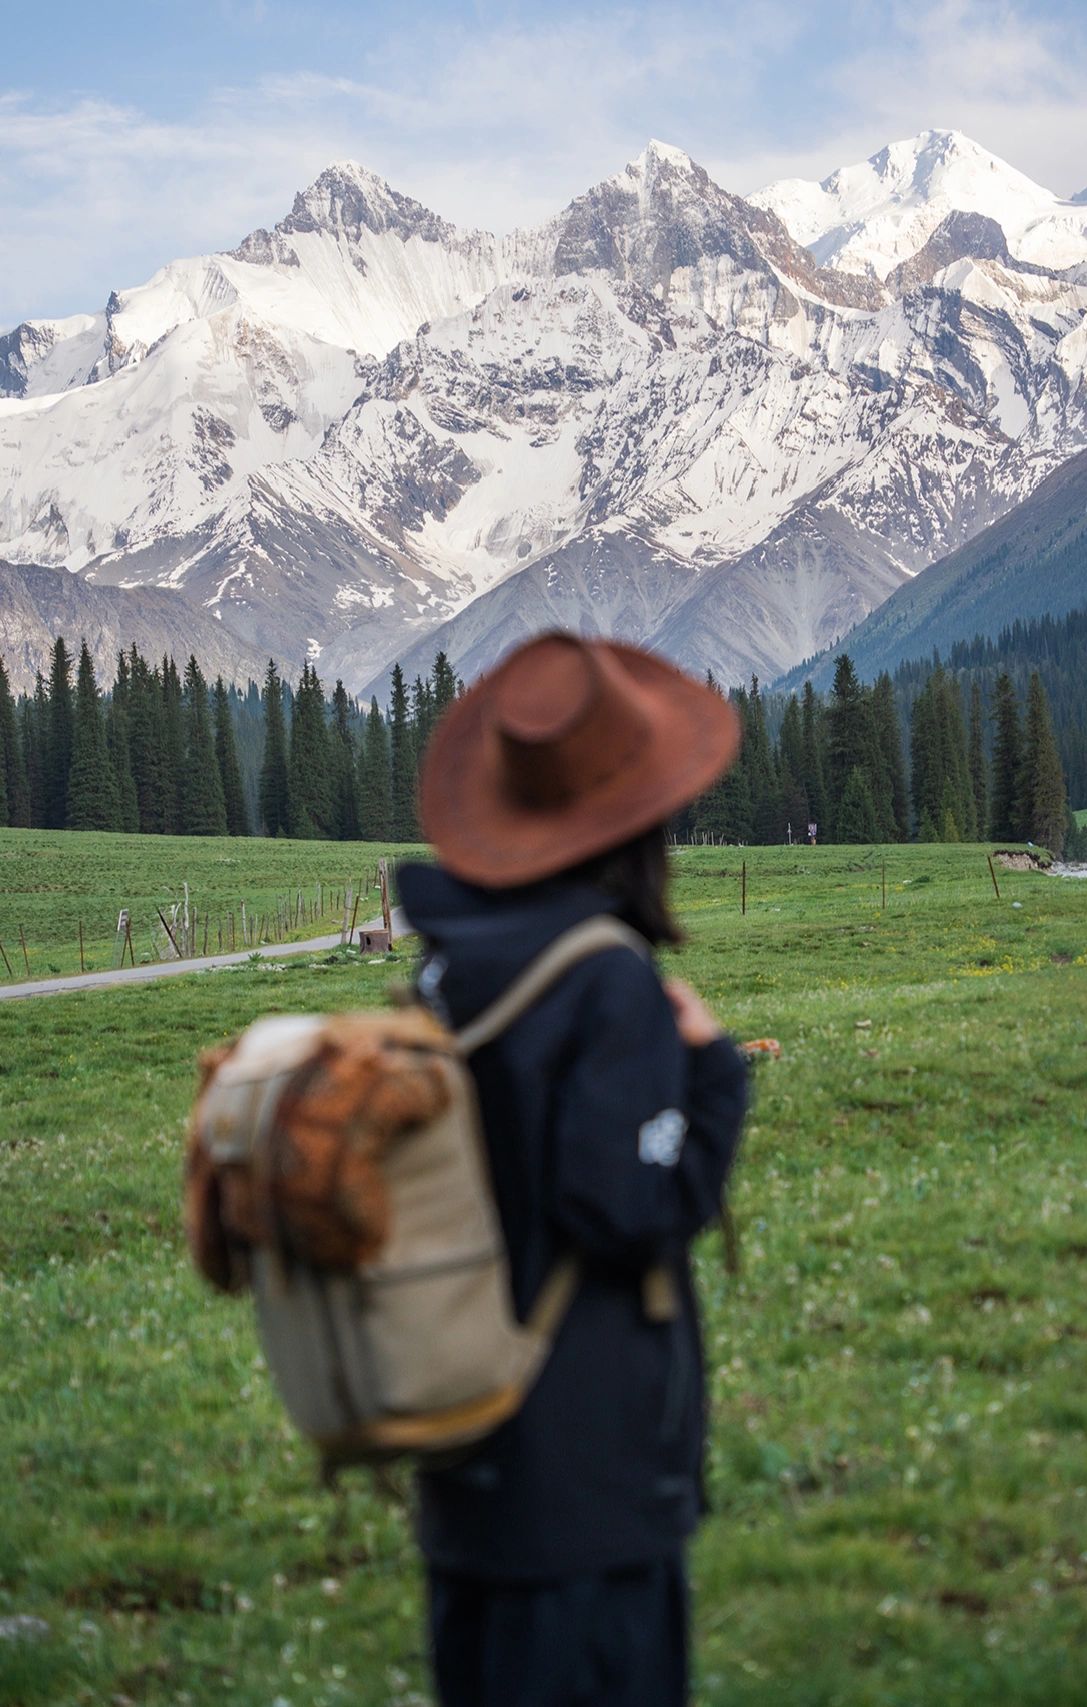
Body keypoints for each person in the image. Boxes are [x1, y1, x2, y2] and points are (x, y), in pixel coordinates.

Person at [396, 631, 749, 1707]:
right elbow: (623, 1210)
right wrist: (713, 1081)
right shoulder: (605, 983)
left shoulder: (447, 968)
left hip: (464, 1433)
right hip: (584, 1473)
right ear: (637, 818)